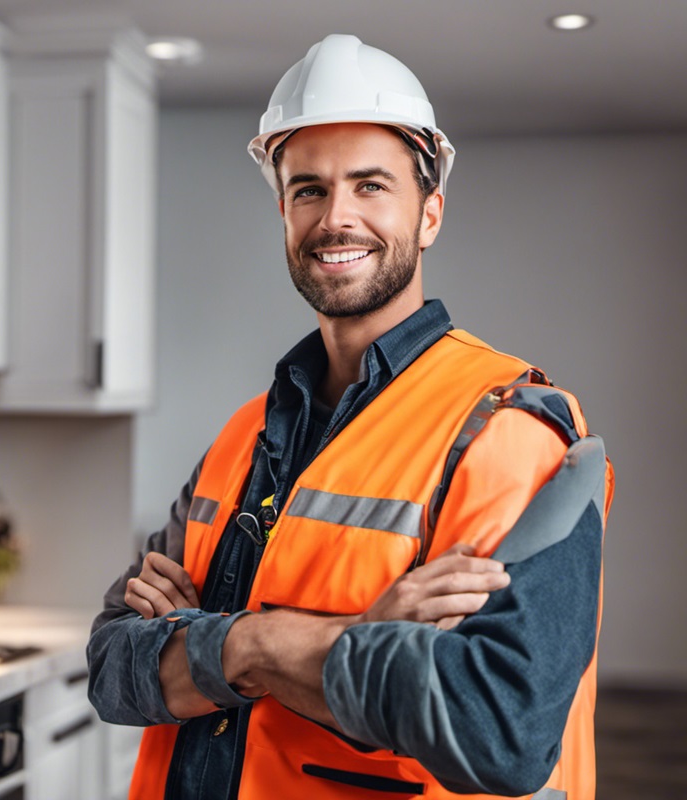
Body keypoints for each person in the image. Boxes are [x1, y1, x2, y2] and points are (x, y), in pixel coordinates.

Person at [88, 34, 613, 800]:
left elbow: (499, 729)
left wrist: (224, 643)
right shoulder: (244, 435)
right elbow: (111, 666)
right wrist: (350, 639)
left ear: (429, 213)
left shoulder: (509, 428)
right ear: (284, 212)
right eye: (309, 189)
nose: (337, 218)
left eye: (371, 186)